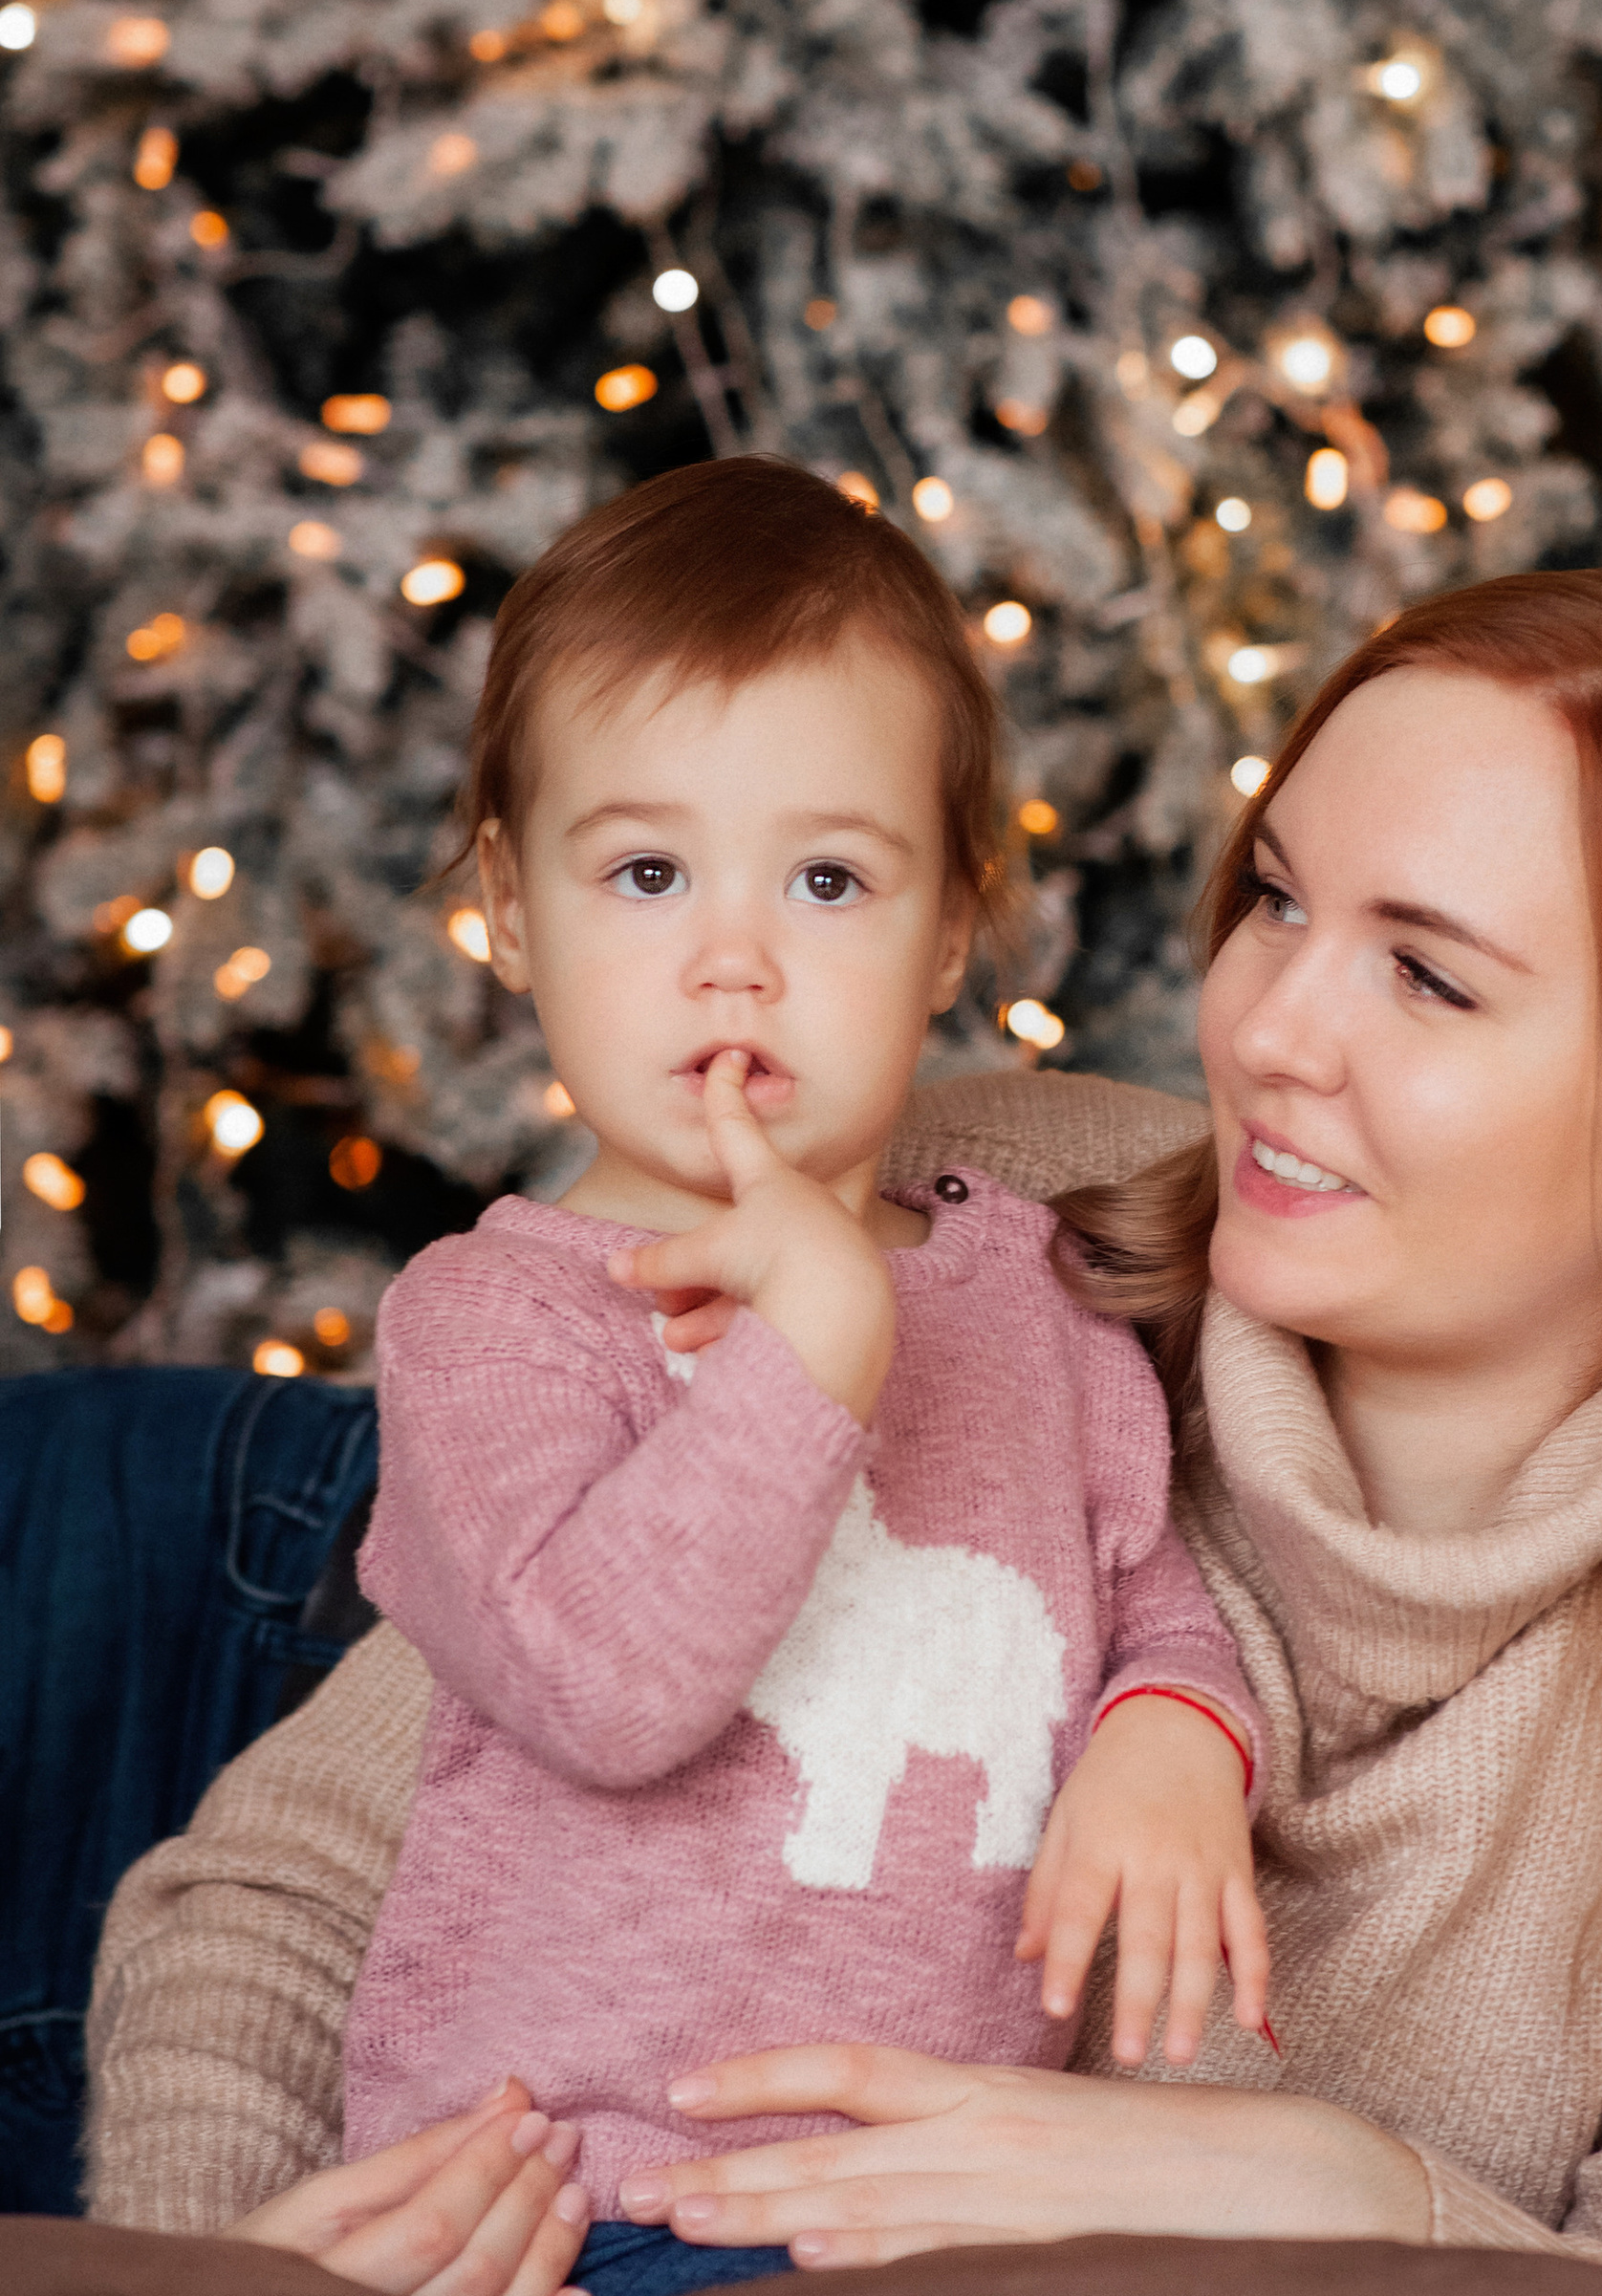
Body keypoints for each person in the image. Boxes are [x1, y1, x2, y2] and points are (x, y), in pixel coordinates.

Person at [88, 566, 1602, 2296]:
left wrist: (1353, 2199)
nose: (1259, 1029)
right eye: (1273, 895)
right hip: (195, 1590)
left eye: (1424, 979)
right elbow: (281, 1888)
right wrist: (226, 2250)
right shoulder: (975, 1218)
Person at [313, 456, 1267, 2296]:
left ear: (952, 933)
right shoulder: (494, 1328)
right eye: (649, 871)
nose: (734, 961)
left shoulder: (1028, 1286)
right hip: (577, 2197)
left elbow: (1149, 1590)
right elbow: (600, 1689)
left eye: (828, 878)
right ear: (513, 911)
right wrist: (816, 1348)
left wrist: (1176, 1731)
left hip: (941, 2206)